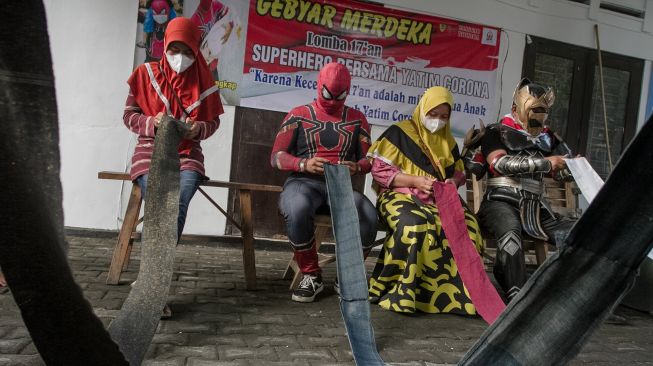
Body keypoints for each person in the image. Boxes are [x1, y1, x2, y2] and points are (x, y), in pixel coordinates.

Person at [124, 17, 223, 316]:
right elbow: (128, 116)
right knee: (159, 201)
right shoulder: (145, 73)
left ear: (196, 50)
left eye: (188, 51)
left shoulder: (205, 81)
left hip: (187, 155)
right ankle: (153, 282)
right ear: (165, 45)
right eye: (175, 49)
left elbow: (213, 122)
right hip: (150, 151)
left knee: (178, 201)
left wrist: (197, 129)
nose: (181, 58)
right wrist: (151, 123)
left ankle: (150, 280)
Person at [367, 86, 484, 315]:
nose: (437, 121)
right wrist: (414, 181)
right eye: (433, 114)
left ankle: (457, 298)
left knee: (468, 227)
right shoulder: (398, 133)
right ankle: (401, 291)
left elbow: (457, 172)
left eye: (444, 117)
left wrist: (452, 182)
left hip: (439, 199)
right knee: (416, 225)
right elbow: (379, 172)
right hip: (398, 195)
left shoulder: (448, 141)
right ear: (422, 109)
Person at [271, 62, 378, 303]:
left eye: (339, 95)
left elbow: (369, 159)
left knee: (368, 214)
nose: (332, 101)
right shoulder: (298, 114)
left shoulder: (357, 119)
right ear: (319, 86)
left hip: (339, 187)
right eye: (328, 94)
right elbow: (276, 157)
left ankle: (348, 277)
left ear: (348, 91)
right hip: (303, 183)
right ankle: (311, 274)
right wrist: (303, 164)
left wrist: (356, 167)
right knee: (297, 208)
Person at [463, 78, 576, 302]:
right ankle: (517, 296)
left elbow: (563, 168)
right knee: (511, 232)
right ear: (517, 108)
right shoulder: (496, 132)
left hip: (536, 206)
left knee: (578, 234)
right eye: (534, 110)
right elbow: (499, 164)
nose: (538, 117)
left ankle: (571, 294)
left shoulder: (548, 137)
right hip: (499, 201)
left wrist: (573, 167)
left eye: (542, 111)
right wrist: (546, 163)